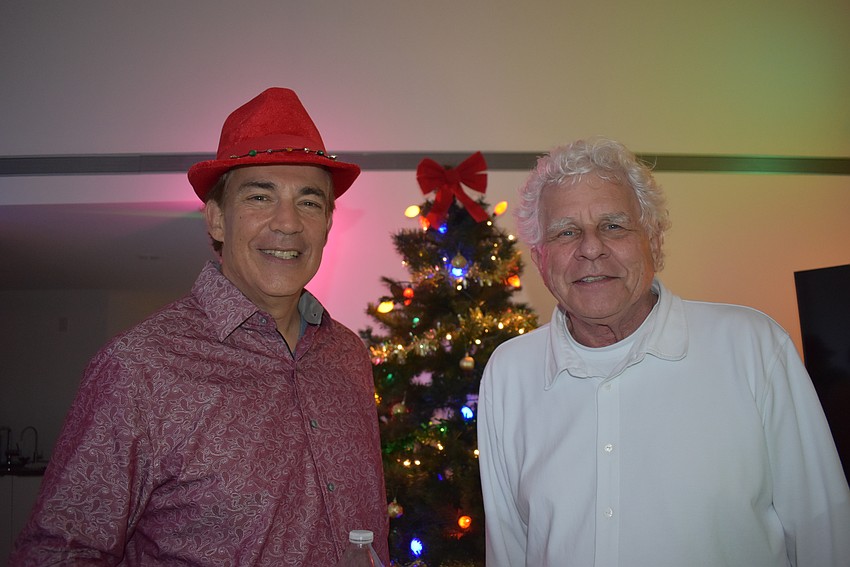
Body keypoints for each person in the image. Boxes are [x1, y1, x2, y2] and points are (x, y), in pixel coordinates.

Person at [12, 88, 389, 566]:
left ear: (329, 223)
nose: (288, 223)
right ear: (215, 219)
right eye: (259, 196)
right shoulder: (139, 368)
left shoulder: (349, 357)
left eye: (310, 202)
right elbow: (56, 553)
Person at [477, 137, 850, 566]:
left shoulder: (752, 347)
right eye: (566, 232)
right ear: (540, 259)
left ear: (653, 240)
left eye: (614, 225)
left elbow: (825, 532)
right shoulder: (509, 374)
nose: (591, 247)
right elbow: (508, 549)